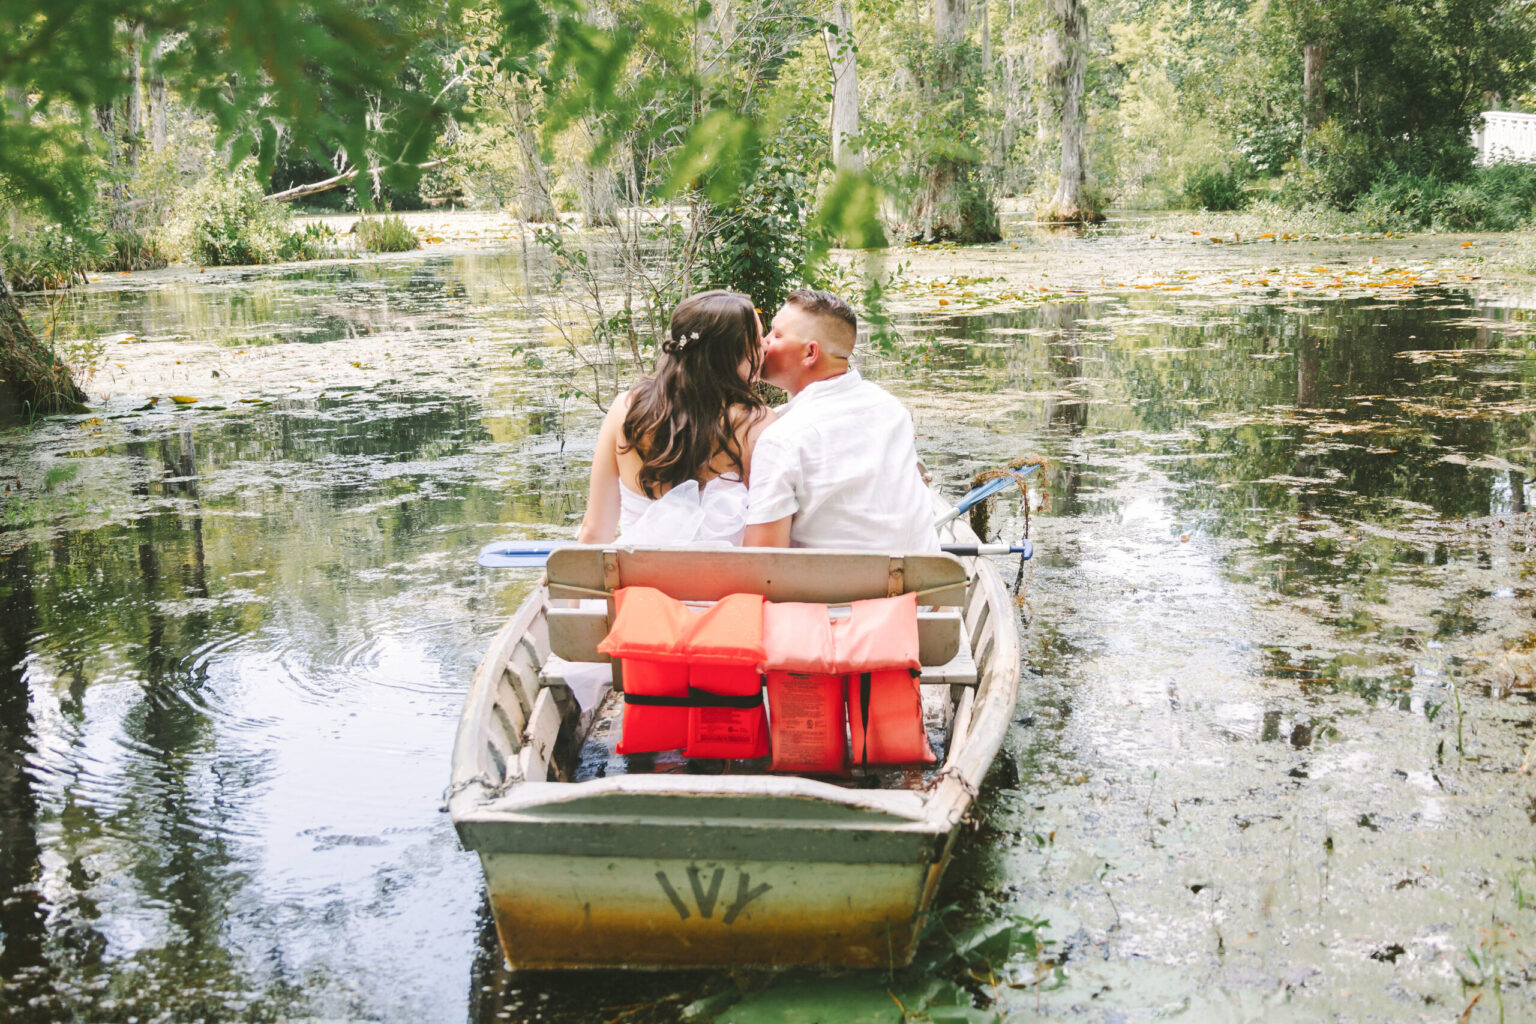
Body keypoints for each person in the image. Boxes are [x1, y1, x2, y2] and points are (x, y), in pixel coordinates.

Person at [743, 288, 939, 551]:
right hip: (917, 581)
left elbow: (760, 562)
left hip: (831, 590)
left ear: (810, 353)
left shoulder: (780, 438)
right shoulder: (891, 408)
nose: (765, 343)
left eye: (776, 335)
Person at [576, 290, 775, 546]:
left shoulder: (625, 410)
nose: (766, 345)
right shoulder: (757, 425)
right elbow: (766, 544)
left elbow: (594, 531)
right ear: (729, 355)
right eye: (758, 340)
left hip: (641, 581)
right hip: (724, 584)